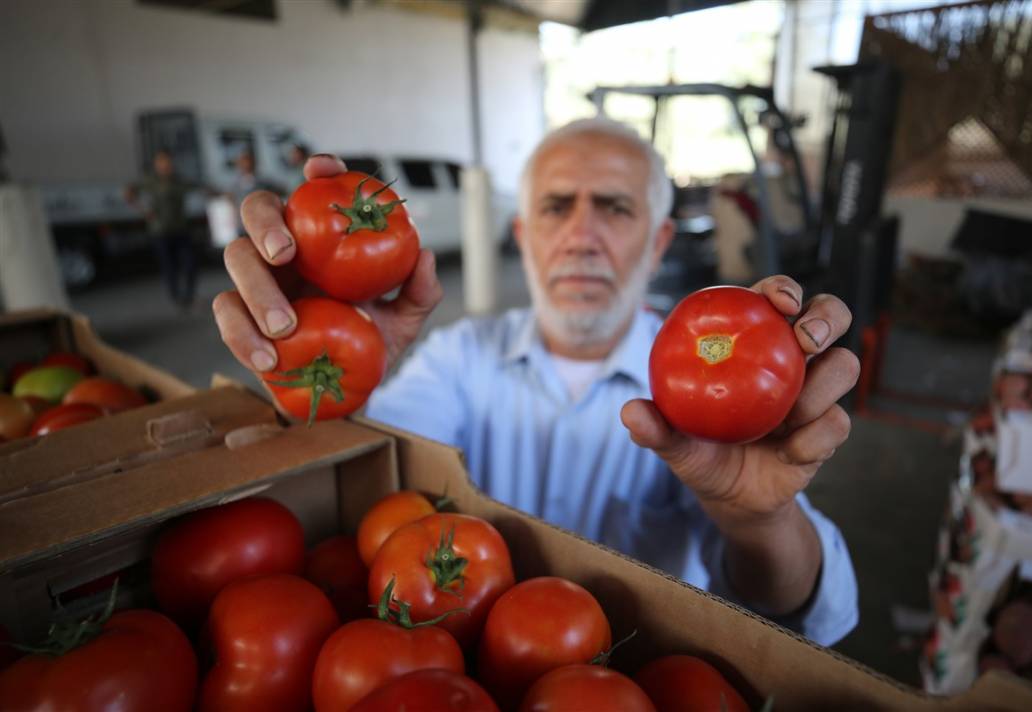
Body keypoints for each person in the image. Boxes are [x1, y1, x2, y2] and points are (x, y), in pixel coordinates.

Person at [213, 118, 861, 646]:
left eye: (614, 208)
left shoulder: (730, 407)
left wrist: (761, 522)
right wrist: (319, 349)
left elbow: (808, 613)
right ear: (523, 237)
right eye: (556, 208)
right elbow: (354, 482)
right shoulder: (460, 359)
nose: (581, 236)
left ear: (658, 242)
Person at [126, 149, 204, 310]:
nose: (166, 165)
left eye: (168, 162)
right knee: (170, 267)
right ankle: (177, 297)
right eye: (162, 162)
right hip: (160, 232)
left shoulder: (178, 181)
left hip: (181, 230)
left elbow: (200, 188)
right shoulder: (150, 182)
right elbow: (129, 192)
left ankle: (189, 295)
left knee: (190, 264)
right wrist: (142, 210)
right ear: (156, 164)